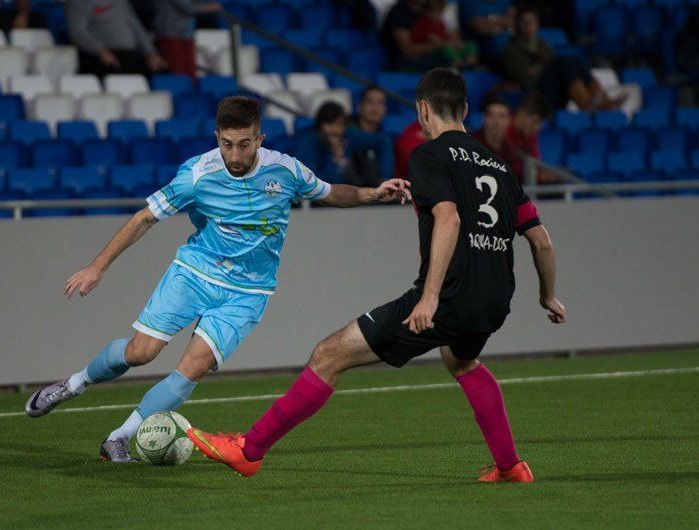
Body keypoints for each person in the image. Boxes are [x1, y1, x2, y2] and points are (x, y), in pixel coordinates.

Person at [187, 68, 567, 482]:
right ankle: (511, 467)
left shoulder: (428, 154)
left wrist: (431, 297)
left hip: (450, 296)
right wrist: (548, 295)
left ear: (423, 109)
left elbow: (450, 218)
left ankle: (249, 450)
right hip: (495, 299)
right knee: (462, 360)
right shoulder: (501, 167)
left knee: (328, 354)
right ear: (466, 110)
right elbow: (541, 241)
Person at [24, 96, 411, 462]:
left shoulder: (285, 170)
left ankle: (119, 438)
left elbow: (329, 193)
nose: (236, 156)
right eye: (227, 144)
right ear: (217, 138)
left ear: (260, 139)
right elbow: (144, 218)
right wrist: (98, 266)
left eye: (245, 144)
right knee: (140, 353)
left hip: (248, 293)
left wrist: (372, 193)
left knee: (192, 367)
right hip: (194, 273)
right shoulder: (196, 175)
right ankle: (74, 384)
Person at [502, 7, 622, 111]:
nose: (529, 26)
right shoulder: (512, 49)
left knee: (574, 60)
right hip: (536, 91)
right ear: (518, 25)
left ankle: (603, 100)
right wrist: (545, 68)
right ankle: (585, 103)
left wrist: (540, 68)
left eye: (532, 21)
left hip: (554, 87)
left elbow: (550, 67)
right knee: (564, 63)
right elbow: (525, 77)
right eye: (524, 22)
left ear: (537, 24)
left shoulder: (543, 45)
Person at [295, 101, 393, 187]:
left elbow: (383, 141)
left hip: (348, 197)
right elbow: (316, 186)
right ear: (320, 126)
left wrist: (384, 178)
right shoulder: (306, 145)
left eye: (339, 124)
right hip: (317, 203)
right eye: (330, 124)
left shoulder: (347, 135)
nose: (335, 130)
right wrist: (335, 159)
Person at [66, 0, 166, 78]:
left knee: (159, 69)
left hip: (130, 55)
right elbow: (77, 32)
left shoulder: (121, 1)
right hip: (100, 57)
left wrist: (151, 53)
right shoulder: (79, 2)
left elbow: (136, 27)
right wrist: (100, 51)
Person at [153, 0, 222, 81]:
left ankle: (191, 91)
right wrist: (212, 6)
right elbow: (189, 8)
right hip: (169, 35)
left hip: (185, 36)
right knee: (178, 72)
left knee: (189, 72)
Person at [410, 0, 478, 69]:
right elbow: (421, 41)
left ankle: (471, 64)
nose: (437, 15)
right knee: (447, 49)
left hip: (446, 46)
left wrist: (456, 42)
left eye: (439, 13)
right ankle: (458, 64)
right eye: (434, 12)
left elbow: (446, 37)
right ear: (426, 12)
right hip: (433, 52)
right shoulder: (421, 25)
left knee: (470, 44)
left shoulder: (441, 24)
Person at [381, 0, 443, 72]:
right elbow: (407, 51)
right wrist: (438, 45)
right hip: (401, 62)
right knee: (444, 67)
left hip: (423, 57)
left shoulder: (422, 11)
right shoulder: (400, 11)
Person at [505, 92, 549, 180]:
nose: (536, 128)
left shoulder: (530, 133)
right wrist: (540, 176)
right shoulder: (503, 127)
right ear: (522, 113)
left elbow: (534, 162)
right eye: (535, 122)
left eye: (539, 124)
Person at [471, 97, 514, 163]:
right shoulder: (470, 144)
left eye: (501, 116)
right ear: (484, 119)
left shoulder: (510, 151)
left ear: (509, 121)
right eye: (491, 115)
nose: (496, 121)